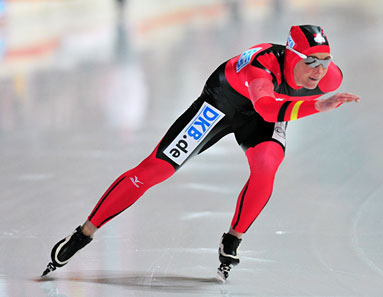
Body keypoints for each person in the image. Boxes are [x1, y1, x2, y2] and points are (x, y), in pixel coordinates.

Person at [41, 24, 360, 281]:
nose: (318, 72)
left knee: (266, 167)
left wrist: (313, 98)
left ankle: (232, 239)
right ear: (291, 56)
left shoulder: (330, 77)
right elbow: (265, 107)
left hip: (265, 112)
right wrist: (317, 104)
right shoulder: (262, 67)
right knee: (157, 169)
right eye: (310, 62)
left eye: (324, 62)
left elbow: (272, 110)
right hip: (222, 104)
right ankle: (84, 233)